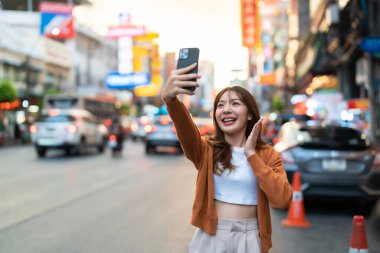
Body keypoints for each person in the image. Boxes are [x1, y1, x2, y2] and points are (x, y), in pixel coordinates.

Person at [162, 63, 293, 253]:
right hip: (212, 237)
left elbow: (282, 200)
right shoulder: (207, 149)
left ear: (249, 114)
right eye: (220, 105)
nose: (226, 110)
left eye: (235, 103)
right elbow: (185, 129)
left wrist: (251, 155)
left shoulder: (267, 155)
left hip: (251, 238)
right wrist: (171, 100)